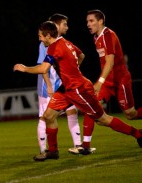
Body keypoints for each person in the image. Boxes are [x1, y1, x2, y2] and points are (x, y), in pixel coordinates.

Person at [13, 21, 142, 161]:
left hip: (79, 89)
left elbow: (43, 69)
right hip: (67, 88)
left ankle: (138, 134)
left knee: (102, 119)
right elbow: (81, 56)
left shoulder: (54, 47)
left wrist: (24, 68)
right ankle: (53, 151)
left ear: (48, 35)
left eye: (40, 36)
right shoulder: (66, 42)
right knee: (48, 116)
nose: (39, 39)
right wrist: (71, 70)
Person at [77, 9, 142, 154]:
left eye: (91, 21)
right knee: (92, 106)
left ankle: (138, 134)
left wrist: (99, 82)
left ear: (100, 21)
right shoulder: (96, 37)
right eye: (87, 21)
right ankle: (85, 146)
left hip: (120, 80)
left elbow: (110, 62)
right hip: (107, 81)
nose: (88, 24)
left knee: (130, 114)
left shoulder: (107, 35)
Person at [36, 13, 95, 155]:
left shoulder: (64, 42)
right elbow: (43, 67)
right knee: (45, 117)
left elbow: (80, 56)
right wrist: (49, 85)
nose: (67, 27)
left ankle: (78, 145)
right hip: (48, 87)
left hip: (65, 85)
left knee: (72, 112)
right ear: (56, 26)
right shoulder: (45, 43)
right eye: (64, 24)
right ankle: (45, 150)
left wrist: (74, 72)